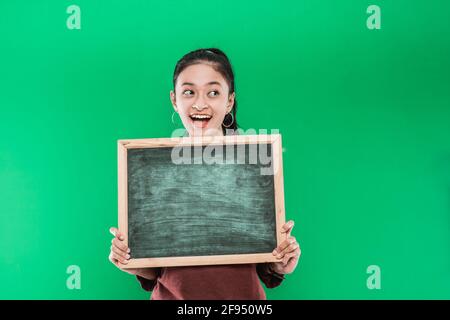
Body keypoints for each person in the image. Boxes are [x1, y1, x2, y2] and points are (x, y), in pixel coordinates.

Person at [109, 48, 301, 299]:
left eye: (213, 92)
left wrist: (282, 261)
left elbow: (268, 266)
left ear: (229, 100)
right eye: (189, 92)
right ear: (174, 100)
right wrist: (127, 258)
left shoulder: (254, 161)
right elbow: (154, 271)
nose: (200, 103)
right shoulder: (152, 168)